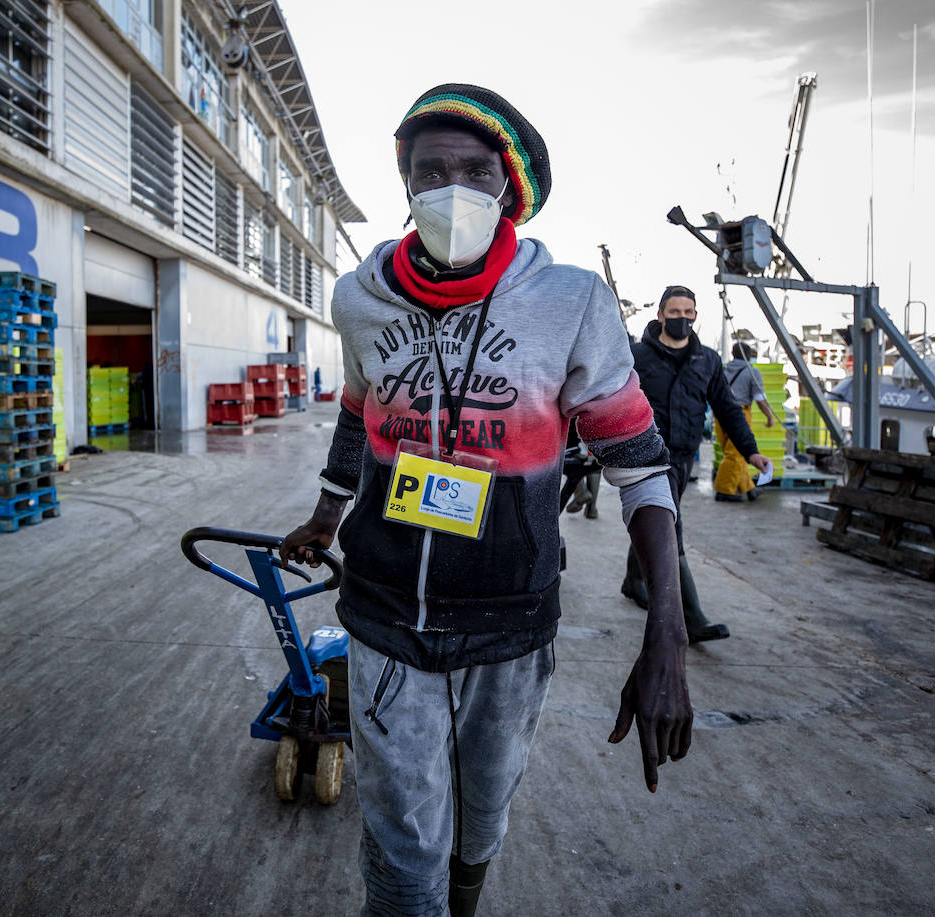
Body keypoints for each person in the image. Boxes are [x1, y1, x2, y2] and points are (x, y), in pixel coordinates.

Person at [279, 84, 694, 917]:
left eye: (475, 171)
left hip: (511, 618)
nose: (452, 187)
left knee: (480, 819)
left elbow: (639, 467)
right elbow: (360, 412)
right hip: (385, 609)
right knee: (403, 844)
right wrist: (328, 515)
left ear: (509, 187)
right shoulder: (358, 298)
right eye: (430, 169)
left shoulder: (572, 301)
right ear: (406, 184)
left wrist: (669, 635)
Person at [619, 286, 770, 643]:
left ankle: (633, 580)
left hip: (684, 457)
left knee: (656, 517)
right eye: (674, 312)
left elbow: (727, 409)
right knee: (669, 530)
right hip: (648, 457)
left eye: (688, 312)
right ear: (660, 315)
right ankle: (693, 617)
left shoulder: (708, 360)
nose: (682, 318)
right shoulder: (636, 355)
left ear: (696, 315)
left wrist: (751, 451)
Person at [714, 342, 777, 502]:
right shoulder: (752, 371)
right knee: (734, 453)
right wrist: (770, 417)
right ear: (750, 355)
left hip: (719, 413)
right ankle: (724, 490)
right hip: (739, 413)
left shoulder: (723, 369)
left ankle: (748, 487)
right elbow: (760, 399)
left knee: (738, 453)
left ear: (733, 353)